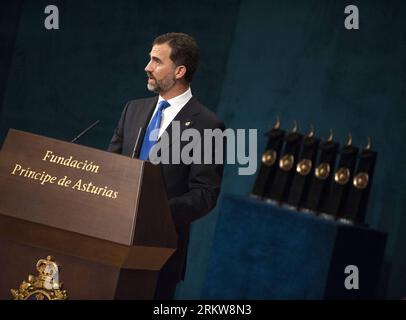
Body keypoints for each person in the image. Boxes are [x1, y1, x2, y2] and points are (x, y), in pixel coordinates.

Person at [108, 32, 225, 299]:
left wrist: (153, 213)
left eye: (156, 61)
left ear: (180, 70)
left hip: (158, 255)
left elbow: (205, 194)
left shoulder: (208, 125)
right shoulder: (132, 110)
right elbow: (111, 169)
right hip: (110, 244)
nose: (147, 67)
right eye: (150, 60)